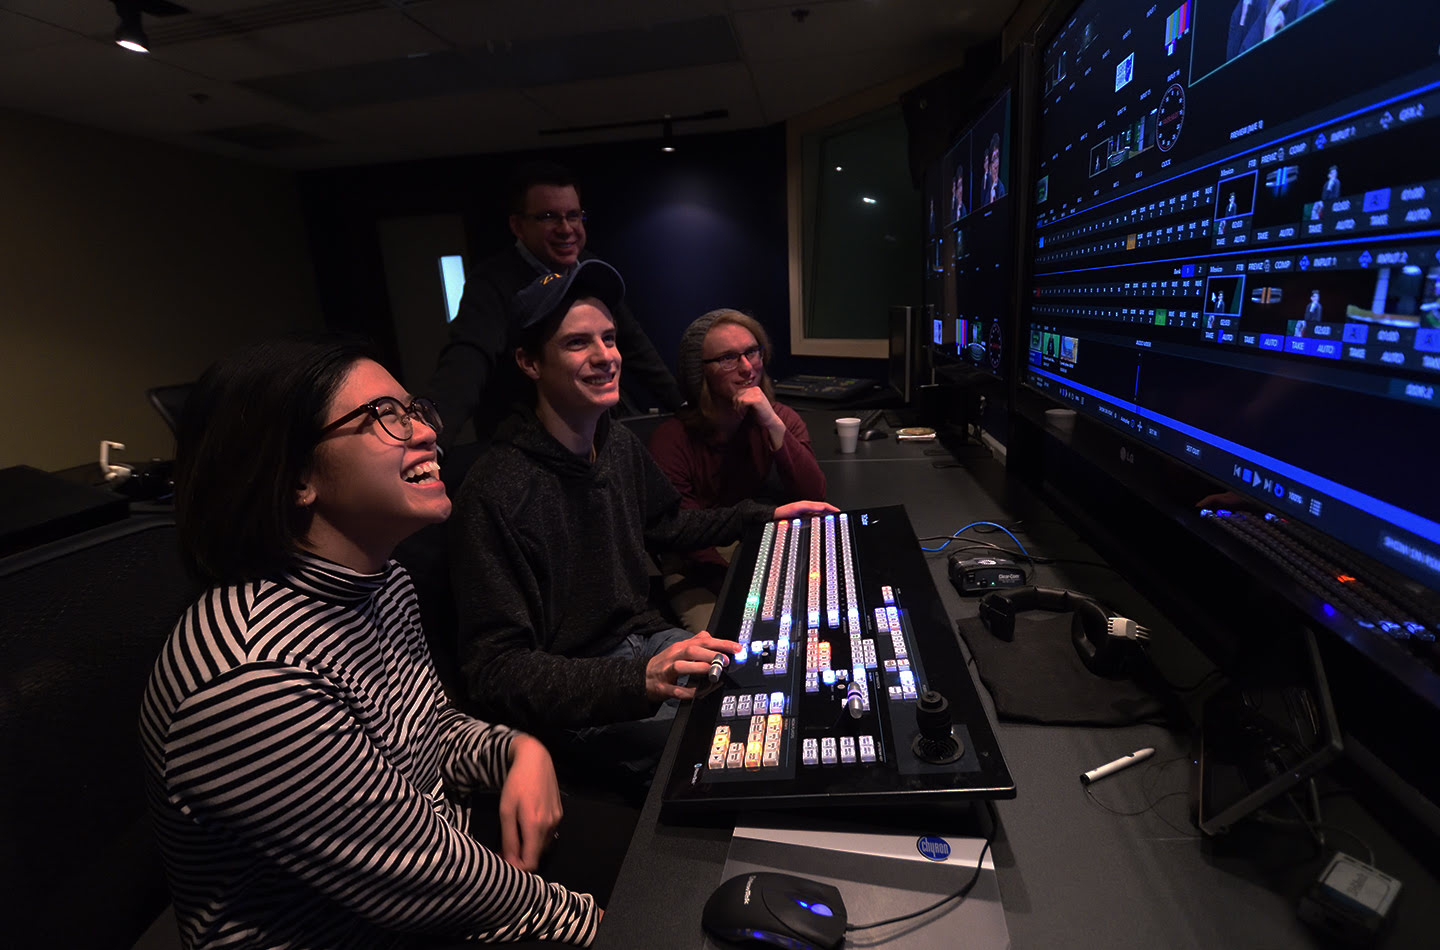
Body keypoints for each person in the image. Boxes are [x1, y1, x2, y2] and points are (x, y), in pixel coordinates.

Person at [140, 337, 599, 948]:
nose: (425, 432)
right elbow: (422, 884)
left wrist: (521, 751)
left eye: (414, 409)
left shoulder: (383, 582)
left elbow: (429, 732)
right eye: (384, 416)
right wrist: (603, 922)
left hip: (445, 864)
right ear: (297, 476)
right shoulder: (251, 680)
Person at [449, 262, 834, 782]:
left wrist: (764, 517)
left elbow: (669, 527)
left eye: (609, 338)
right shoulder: (496, 490)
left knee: (783, 694)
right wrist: (638, 679)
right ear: (529, 362)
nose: (606, 356)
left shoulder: (615, 443)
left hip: (645, 643)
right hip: (579, 699)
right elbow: (494, 671)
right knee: (740, 755)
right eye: (577, 343)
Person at [426, 161, 682, 450]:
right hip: (530, 445)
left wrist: (686, 408)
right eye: (549, 217)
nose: (566, 229)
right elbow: (466, 360)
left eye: (574, 215)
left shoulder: (590, 268)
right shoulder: (492, 281)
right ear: (518, 226)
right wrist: (432, 437)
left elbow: (636, 348)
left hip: (598, 434)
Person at [648, 310, 826, 632]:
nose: (747, 368)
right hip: (695, 563)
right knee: (728, 639)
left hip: (759, 541)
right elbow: (685, 535)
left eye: (752, 352)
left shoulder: (780, 417)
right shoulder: (671, 440)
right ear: (699, 373)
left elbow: (814, 494)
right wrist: (747, 587)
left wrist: (772, 422)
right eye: (728, 358)